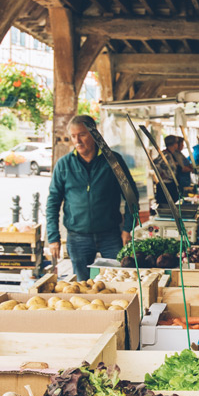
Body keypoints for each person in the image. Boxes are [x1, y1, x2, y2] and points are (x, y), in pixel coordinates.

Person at [46, 115, 139, 278]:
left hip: (111, 235)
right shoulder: (64, 165)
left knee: (119, 279)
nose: (77, 140)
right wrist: (53, 237)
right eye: (73, 136)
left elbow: (131, 195)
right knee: (82, 285)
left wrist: (128, 229)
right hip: (77, 237)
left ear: (95, 133)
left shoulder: (113, 161)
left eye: (82, 134)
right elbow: (53, 202)